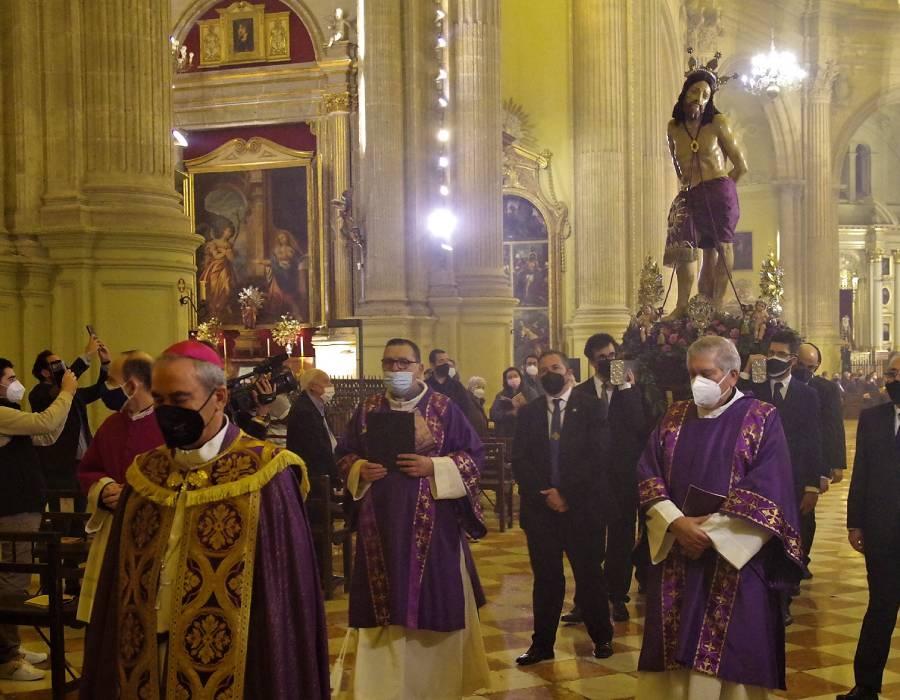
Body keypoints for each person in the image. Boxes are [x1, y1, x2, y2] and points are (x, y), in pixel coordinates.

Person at [79, 340, 329, 699]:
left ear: (220, 398)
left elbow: (285, 595)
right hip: (144, 653)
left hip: (239, 667)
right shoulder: (145, 473)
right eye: (160, 400)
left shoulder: (266, 473)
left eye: (179, 400)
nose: (166, 413)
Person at [635, 336, 802, 698]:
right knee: (672, 649)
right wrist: (677, 524)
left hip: (733, 562)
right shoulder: (673, 417)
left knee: (731, 653)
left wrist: (710, 534)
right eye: (693, 374)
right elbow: (648, 472)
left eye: (707, 374)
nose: (699, 383)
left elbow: (771, 484)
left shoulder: (761, 417)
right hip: (677, 551)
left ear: (733, 374)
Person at [335, 338, 489, 699]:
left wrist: (433, 466)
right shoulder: (366, 409)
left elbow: (473, 457)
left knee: (433, 604)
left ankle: (435, 689)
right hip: (381, 528)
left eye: (404, 363)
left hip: (434, 528)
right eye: (388, 363)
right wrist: (360, 468)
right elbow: (343, 454)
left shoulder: (444, 408)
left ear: (420, 369)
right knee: (381, 609)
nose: (395, 370)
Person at [512, 350, 615, 666]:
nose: (548, 373)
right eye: (542, 370)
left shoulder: (593, 408)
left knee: (588, 576)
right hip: (541, 511)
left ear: (568, 372)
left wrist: (566, 494)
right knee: (546, 579)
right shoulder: (529, 413)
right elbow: (520, 460)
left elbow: (598, 458)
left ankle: (602, 638)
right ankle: (542, 645)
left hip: (582, 508)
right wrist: (547, 494)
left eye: (554, 367)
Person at [0, 359, 77, 681]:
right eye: (10, 377)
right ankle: (7, 657)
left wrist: (61, 407)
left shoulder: (9, 413)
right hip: (12, 507)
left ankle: (11, 648)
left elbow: (44, 436)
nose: (17, 382)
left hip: (22, 505)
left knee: (13, 577)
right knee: (12, 579)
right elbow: (45, 422)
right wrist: (67, 393)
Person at [75, 351, 163, 624]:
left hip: (155, 534)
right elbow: (89, 469)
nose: (106, 388)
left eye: (111, 381)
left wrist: (136, 494)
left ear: (132, 385)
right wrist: (103, 489)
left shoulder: (169, 425)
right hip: (113, 532)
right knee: (111, 617)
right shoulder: (111, 425)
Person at [741, 330, 823, 623]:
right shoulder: (755, 388)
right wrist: (748, 371)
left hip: (794, 479)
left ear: (793, 359)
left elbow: (814, 440)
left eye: (780, 354)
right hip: (758, 478)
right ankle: (759, 597)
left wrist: (813, 485)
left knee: (790, 539)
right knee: (760, 539)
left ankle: (784, 597)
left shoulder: (807, 395)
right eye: (770, 352)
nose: (774, 358)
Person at [568, 333, 649, 623]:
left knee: (620, 541)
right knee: (587, 543)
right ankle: (585, 600)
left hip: (622, 480)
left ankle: (617, 597)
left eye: (612, 354)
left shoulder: (633, 391)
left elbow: (639, 428)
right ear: (591, 361)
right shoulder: (580, 393)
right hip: (589, 481)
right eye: (602, 357)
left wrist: (627, 388)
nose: (609, 360)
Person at [664, 61, 748, 318]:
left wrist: (724, 191)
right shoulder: (673, 128)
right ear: (685, 91)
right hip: (689, 193)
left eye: (705, 95)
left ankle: (717, 304)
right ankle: (681, 305)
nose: (698, 99)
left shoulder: (717, 122)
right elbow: (678, 164)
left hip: (719, 188)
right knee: (684, 248)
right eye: (695, 92)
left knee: (720, 247)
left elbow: (741, 165)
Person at [838, 351, 900, 700]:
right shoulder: (873, 418)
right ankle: (865, 686)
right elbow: (860, 472)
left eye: (898, 374)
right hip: (881, 530)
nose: (893, 380)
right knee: (880, 606)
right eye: (890, 374)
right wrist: (855, 522)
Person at [29, 336, 112, 513]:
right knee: (62, 516)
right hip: (59, 466)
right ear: (45, 372)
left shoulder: (71, 393)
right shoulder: (40, 393)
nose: (64, 367)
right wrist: (86, 356)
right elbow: (59, 392)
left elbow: (98, 390)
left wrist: (105, 364)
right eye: (57, 364)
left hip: (80, 463)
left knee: (79, 516)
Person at [794, 341, 847, 577]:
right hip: (787, 461)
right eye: (801, 364)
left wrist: (833, 466)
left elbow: (833, 427)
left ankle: (802, 558)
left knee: (807, 513)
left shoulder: (826, 389)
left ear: (817, 367)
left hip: (814, 460)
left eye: (810, 366)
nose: (805, 370)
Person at [286, 368, 339, 483]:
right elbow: (316, 448)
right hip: (312, 475)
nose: (331, 385)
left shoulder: (318, 406)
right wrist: (335, 474)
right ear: (313, 387)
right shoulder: (304, 410)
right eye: (326, 381)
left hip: (322, 471)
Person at [426, 348, 475, 414]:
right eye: (441, 361)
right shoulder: (425, 386)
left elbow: (466, 409)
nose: (446, 364)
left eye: (447, 361)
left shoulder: (457, 386)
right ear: (432, 365)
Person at [489, 367, 525, 438]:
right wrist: (510, 413)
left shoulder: (528, 393)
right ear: (505, 380)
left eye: (515, 376)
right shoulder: (500, 396)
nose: (513, 379)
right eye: (510, 377)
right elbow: (493, 414)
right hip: (506, 435)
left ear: (520, 377)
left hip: (524, 434)